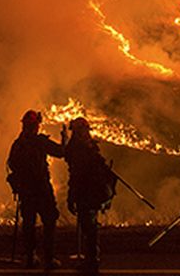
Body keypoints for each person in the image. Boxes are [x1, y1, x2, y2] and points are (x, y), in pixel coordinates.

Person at [7, 110, 66, 271]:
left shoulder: (18, 144)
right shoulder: (40, 141)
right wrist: (65, 138)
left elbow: (11, 164)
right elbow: (61, 152)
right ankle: (49, 257)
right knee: (49, 221)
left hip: (26, 190)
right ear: (36, 126)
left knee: (29, 223)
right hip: (41, 189)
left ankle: (30, 256)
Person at [64, 117, 115, 275]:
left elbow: (76, 175)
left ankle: (91, 261)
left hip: (86, 194)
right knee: (90, 227)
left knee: (89, 228)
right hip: (92, 194)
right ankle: (91, 259)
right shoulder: (91, 147)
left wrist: (71, 196)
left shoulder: (81, 150)